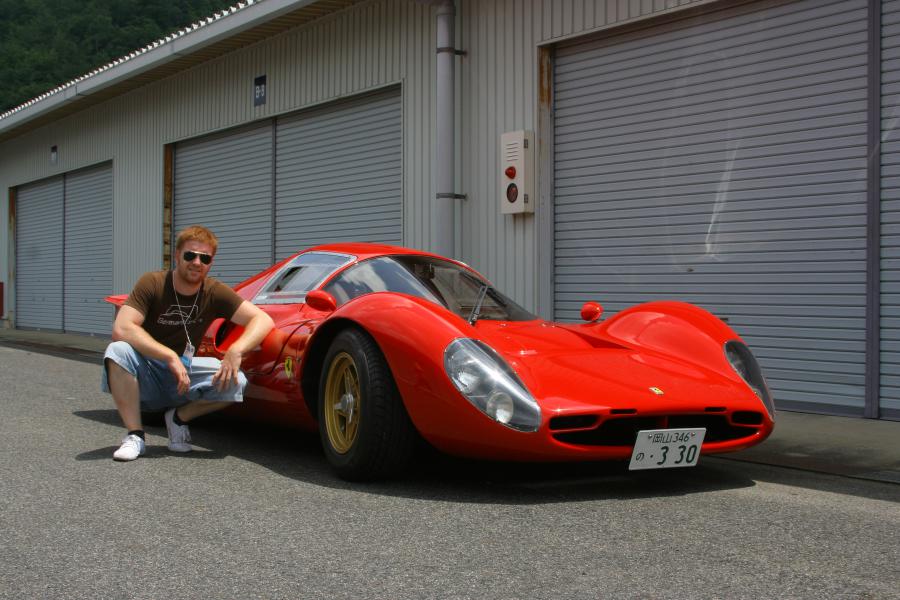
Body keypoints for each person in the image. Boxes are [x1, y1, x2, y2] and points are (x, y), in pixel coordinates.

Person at [102, 225, 274, 461]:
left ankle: (178, 418)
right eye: (190, 255)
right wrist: (168, 355)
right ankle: (135, 435)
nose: (197, 262)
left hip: (184, 371)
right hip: (147, 369)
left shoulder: (214, 291)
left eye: (205, 258)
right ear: (177, 255)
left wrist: (236, 350)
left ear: (211, 263)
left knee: (237, 381)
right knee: (117, 351)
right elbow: (122, 328)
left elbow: (262, 319)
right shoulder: (152, 282)